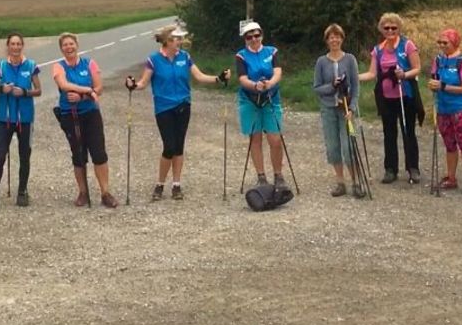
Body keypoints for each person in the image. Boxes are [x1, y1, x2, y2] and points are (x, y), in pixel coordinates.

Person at [124, 24, 229, 201]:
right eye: (176, 38)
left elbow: (199, 76)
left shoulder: (184, 57)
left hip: (183, 105)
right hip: (164, 107)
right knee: (169, 146)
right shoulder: (154, 60)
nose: (180, 41)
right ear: (167, 40)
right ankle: (160, 184)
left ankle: (176, 184)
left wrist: (218, 78)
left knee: (179, 146)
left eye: (180, 38)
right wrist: (133, 85)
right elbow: (143, 82)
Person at [51, 32, 117, 208]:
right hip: (70, 115)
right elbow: (64, 85)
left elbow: (99, 87)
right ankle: (83, 192)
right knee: (78, 155)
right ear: (61, 49)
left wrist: (83, 96)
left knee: (99, 153)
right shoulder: (58, 67)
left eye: (71, 44)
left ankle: (105, 192)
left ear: (77, 45)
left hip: (90, 113)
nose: (69, 47)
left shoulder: (89, 63)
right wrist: (87, 90)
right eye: (65, 45)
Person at [358, 12, 424, 185]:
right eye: (386, 28)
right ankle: (390, 169)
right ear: (381, 29)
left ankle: (413, 168)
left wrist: (404, 74)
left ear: (399, 28)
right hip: (386, 97)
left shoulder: (407, 45)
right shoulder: (378, 50)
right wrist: (354, 77)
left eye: (393, 27)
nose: (390, 31)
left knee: (408, 131)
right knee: (389, 133)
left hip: (405, 95)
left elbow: (417, 68)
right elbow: (372, 73)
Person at [0, 32, 42, 210]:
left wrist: (24, 92)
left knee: (24, 155)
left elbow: (39, 90)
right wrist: (2, 89)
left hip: (25, 118)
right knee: (0, 156)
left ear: (22, 46)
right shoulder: (0, 66)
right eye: (12, 44)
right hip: (6, 119)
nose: (15, 47)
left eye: (18, 44)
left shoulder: (31, 65)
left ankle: (22, 191)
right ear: (8, 46)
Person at [234, 21, 288, 188]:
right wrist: (254, 85)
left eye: (256, 35)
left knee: (275, 139)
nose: (254, 39)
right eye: (249, 37)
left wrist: (270, 83)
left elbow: (277, 71)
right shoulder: (241, 56)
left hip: (271, 98)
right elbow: (242, 78)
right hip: (250, 100)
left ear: (262, 35)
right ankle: (261, 176)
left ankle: (278, 175)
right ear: (245, 39)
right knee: (255, 138)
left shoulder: (271, 51)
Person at [312, 23, 361, 197]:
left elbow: (356, 86)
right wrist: (332, 86)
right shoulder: (321, 62)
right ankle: (340, 182)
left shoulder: (350, 59)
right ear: (327, 40)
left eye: (337, 36)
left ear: (342, 39)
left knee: (348, 147)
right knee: (333, 147)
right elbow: (317, 88)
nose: (335, 40)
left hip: (346, 109)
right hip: (328, 109)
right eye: (331, 37)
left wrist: (352, 108)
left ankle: (356, 182)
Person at [427, 28, 462, 194]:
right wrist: (433, 86)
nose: (441, 46)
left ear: (455, 43)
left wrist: (443, 86)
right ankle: (451, 177)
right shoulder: (438, 60)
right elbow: (434, 79)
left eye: (445, 43)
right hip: (443, 108)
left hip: (459, 108)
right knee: (449, 143)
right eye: (439, 42)